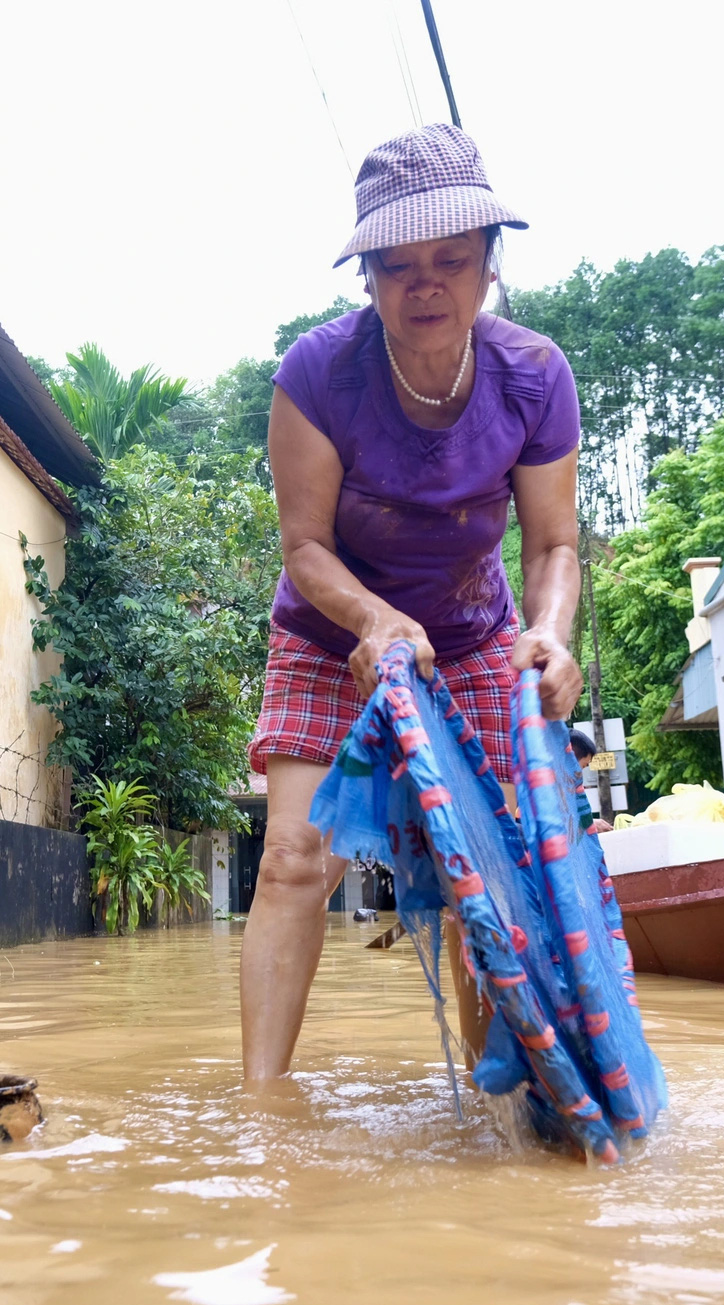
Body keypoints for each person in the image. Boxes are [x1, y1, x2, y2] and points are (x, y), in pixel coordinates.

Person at [240, 124, 585, 1084]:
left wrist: (549, 635)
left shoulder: (533, 377)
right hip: (328, 634)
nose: (424, 284)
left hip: (476, 641)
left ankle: (494, 1105)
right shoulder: (316, 374)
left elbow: (553, 543)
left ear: (486, 268)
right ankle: (262, 1113)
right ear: (368, 279)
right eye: (397, 265)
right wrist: (373, 620)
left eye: (451, 260)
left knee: (484, 877)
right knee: (292, 863)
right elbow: (304, 546)